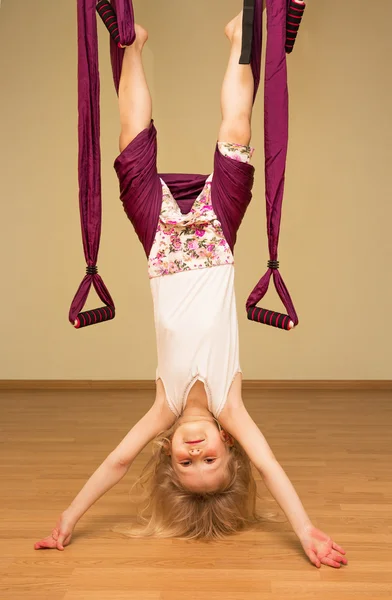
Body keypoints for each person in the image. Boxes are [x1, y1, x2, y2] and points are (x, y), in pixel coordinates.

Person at [35, 11, 347, 569]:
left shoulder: (164, 407)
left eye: (186, 465)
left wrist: (68, 519)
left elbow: (115, 462)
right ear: (230, 448)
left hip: (161, 244)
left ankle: (132, 44)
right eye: (210, 463)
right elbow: (272, 468)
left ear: (168, 452)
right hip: (217, 237)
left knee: (131, 147)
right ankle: (240, 39)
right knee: (236, 136)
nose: (196, 454)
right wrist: (306, 530)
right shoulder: (232, 405)